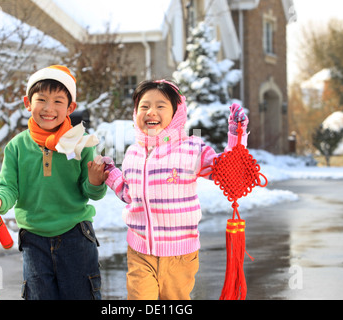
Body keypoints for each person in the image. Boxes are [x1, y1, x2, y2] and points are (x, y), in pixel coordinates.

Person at [100, 79, 248, 300]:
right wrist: (111, 173)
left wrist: (236, 134)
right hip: (140, 250)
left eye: (161, 106)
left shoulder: (192, 149)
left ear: (176, 113)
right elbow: (129, 193)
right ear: (135, 112)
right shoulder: (133, 153)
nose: (151, 112)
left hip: (180, 252)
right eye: (144, 106)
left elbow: (228, 170)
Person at [0, 65, 108, 300]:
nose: (49, 108)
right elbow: (8, 186)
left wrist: (96, 181)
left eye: (58, 101)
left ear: (70, 107)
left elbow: (91, 192)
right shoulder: (16, 146)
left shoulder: (81, 143)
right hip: (33, 239)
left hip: (76, 235)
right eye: (42, 100)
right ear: (28, 103)